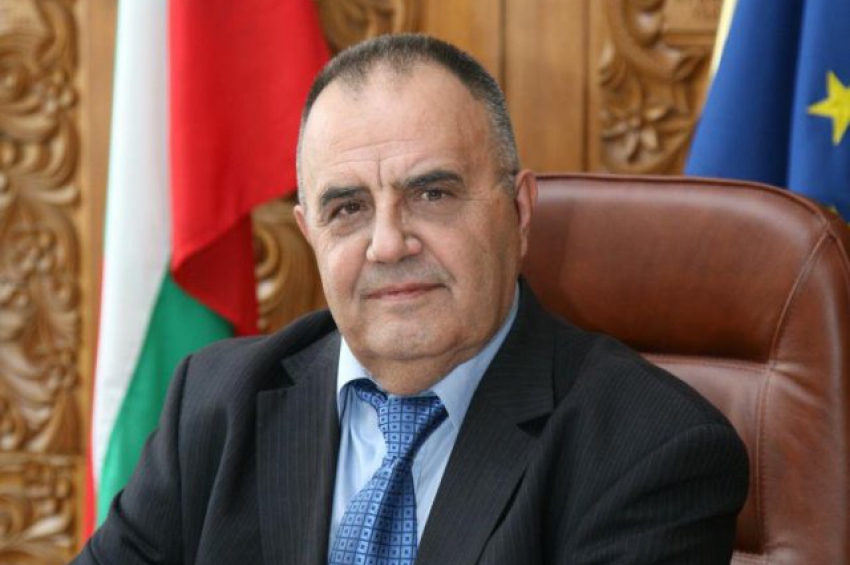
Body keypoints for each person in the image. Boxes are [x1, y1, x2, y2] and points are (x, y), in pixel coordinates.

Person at [73, 34, 748, 565]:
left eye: (432, 193)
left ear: (518, 212)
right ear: (309, 234)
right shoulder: (215, 403)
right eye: (347, 208)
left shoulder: (651, 448)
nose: (388, 243)